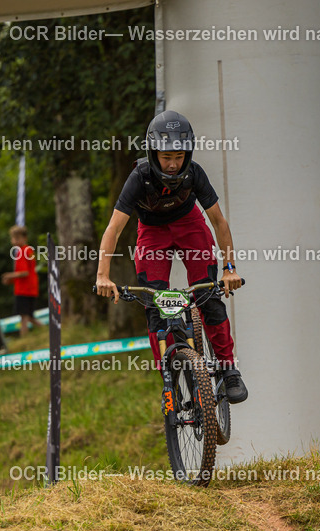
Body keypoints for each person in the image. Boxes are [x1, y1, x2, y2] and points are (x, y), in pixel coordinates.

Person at [95, 110, 247, 404]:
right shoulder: (138, 178)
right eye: (166, 157)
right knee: (154, 305)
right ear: (153, 153)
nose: (174, 164)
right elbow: (113, 229)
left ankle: (229, 370)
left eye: (179, 156)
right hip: (152, 232)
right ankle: (170, 380)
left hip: (189, 224)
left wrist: (229, 268)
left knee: (208, 294)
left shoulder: (195, 173)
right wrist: (103, 275)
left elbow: (219, 222)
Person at [1, 225, 41, 336]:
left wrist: (9, 276)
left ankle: (24, 338)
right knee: (29, 316)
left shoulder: (22, 252)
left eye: (17, 238)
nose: (14, 240)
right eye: (13, 238)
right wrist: (12, 280)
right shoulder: (29, 250)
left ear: (24, 238)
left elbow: (24, 273)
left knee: (24, 316)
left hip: (25, 289)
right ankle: (45, 330)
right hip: (31, 288)